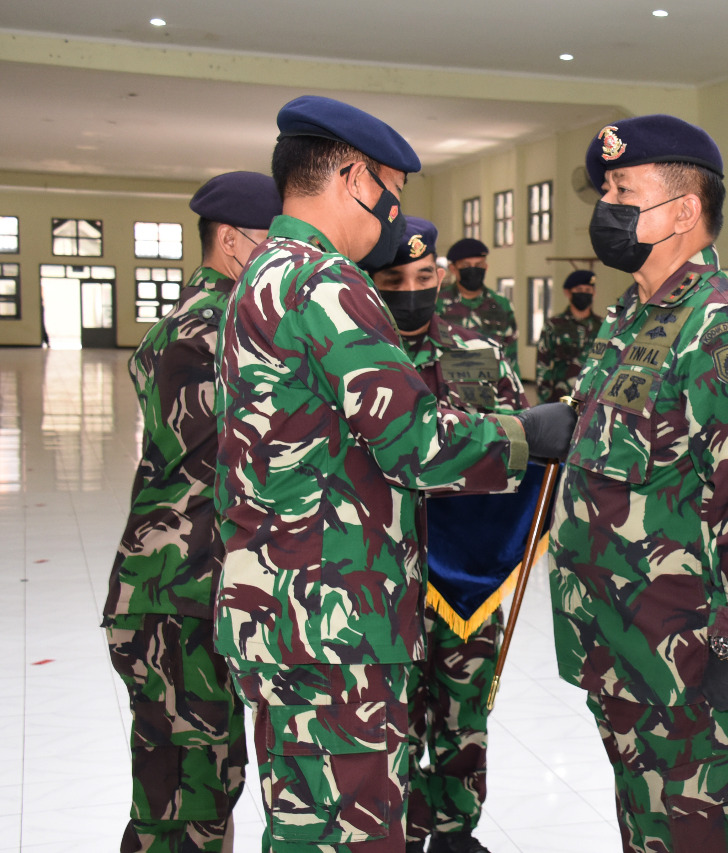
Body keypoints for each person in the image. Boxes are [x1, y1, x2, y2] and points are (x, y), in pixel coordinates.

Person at [215, 95, 574, 852]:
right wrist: (527, 434)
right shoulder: (323, 284)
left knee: (305, 819)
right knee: (352, 830)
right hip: (335, 621)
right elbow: (417, 443)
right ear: (352, 177)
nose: (390, 217)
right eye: (390, 194)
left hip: (281, 611)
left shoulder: (259, 278)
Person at [548, 115, 728, 853]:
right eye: (607, 189)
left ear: (684, 211)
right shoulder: (630, 315)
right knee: (647, 827)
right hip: (620, 641)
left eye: (626, 189)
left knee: (704, 834)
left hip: (686, 655)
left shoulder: (722, 328)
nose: (608, 205)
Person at [103, 170, 281, 853]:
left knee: (200, 779)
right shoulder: (207, 329)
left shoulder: (216, 318)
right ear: (233, 242)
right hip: (177, 594)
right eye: (273, 240)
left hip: (190, 589)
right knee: (182, 795)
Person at [368, 216, 527, 853]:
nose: (412, 290)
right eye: (393, 279)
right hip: (378, 575)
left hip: (465, 574)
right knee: (392, 712)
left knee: (465, 704)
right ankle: (403, 828)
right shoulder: (357, 356)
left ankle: (457, 829)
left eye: (423, 276)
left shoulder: (476, 352)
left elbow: (516, 446)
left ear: (441, 275)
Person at [437, 238, 518, 364]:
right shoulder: (437, 303)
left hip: (492, 380)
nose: (473, 269)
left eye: (479, 265)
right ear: (453, 268)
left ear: (486, 267)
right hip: (449, 380)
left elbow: (510, 354)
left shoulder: (501, 304)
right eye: (466, 266)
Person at [535, 269, 602, 402]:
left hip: (592, 400)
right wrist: (545, 400)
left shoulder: (604, 326)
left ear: (594, 293)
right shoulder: (554, 326)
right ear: (568, 292)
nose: (584, 293)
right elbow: (543, 364)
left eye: (588, 290)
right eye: (579, 289)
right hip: (559, 399)